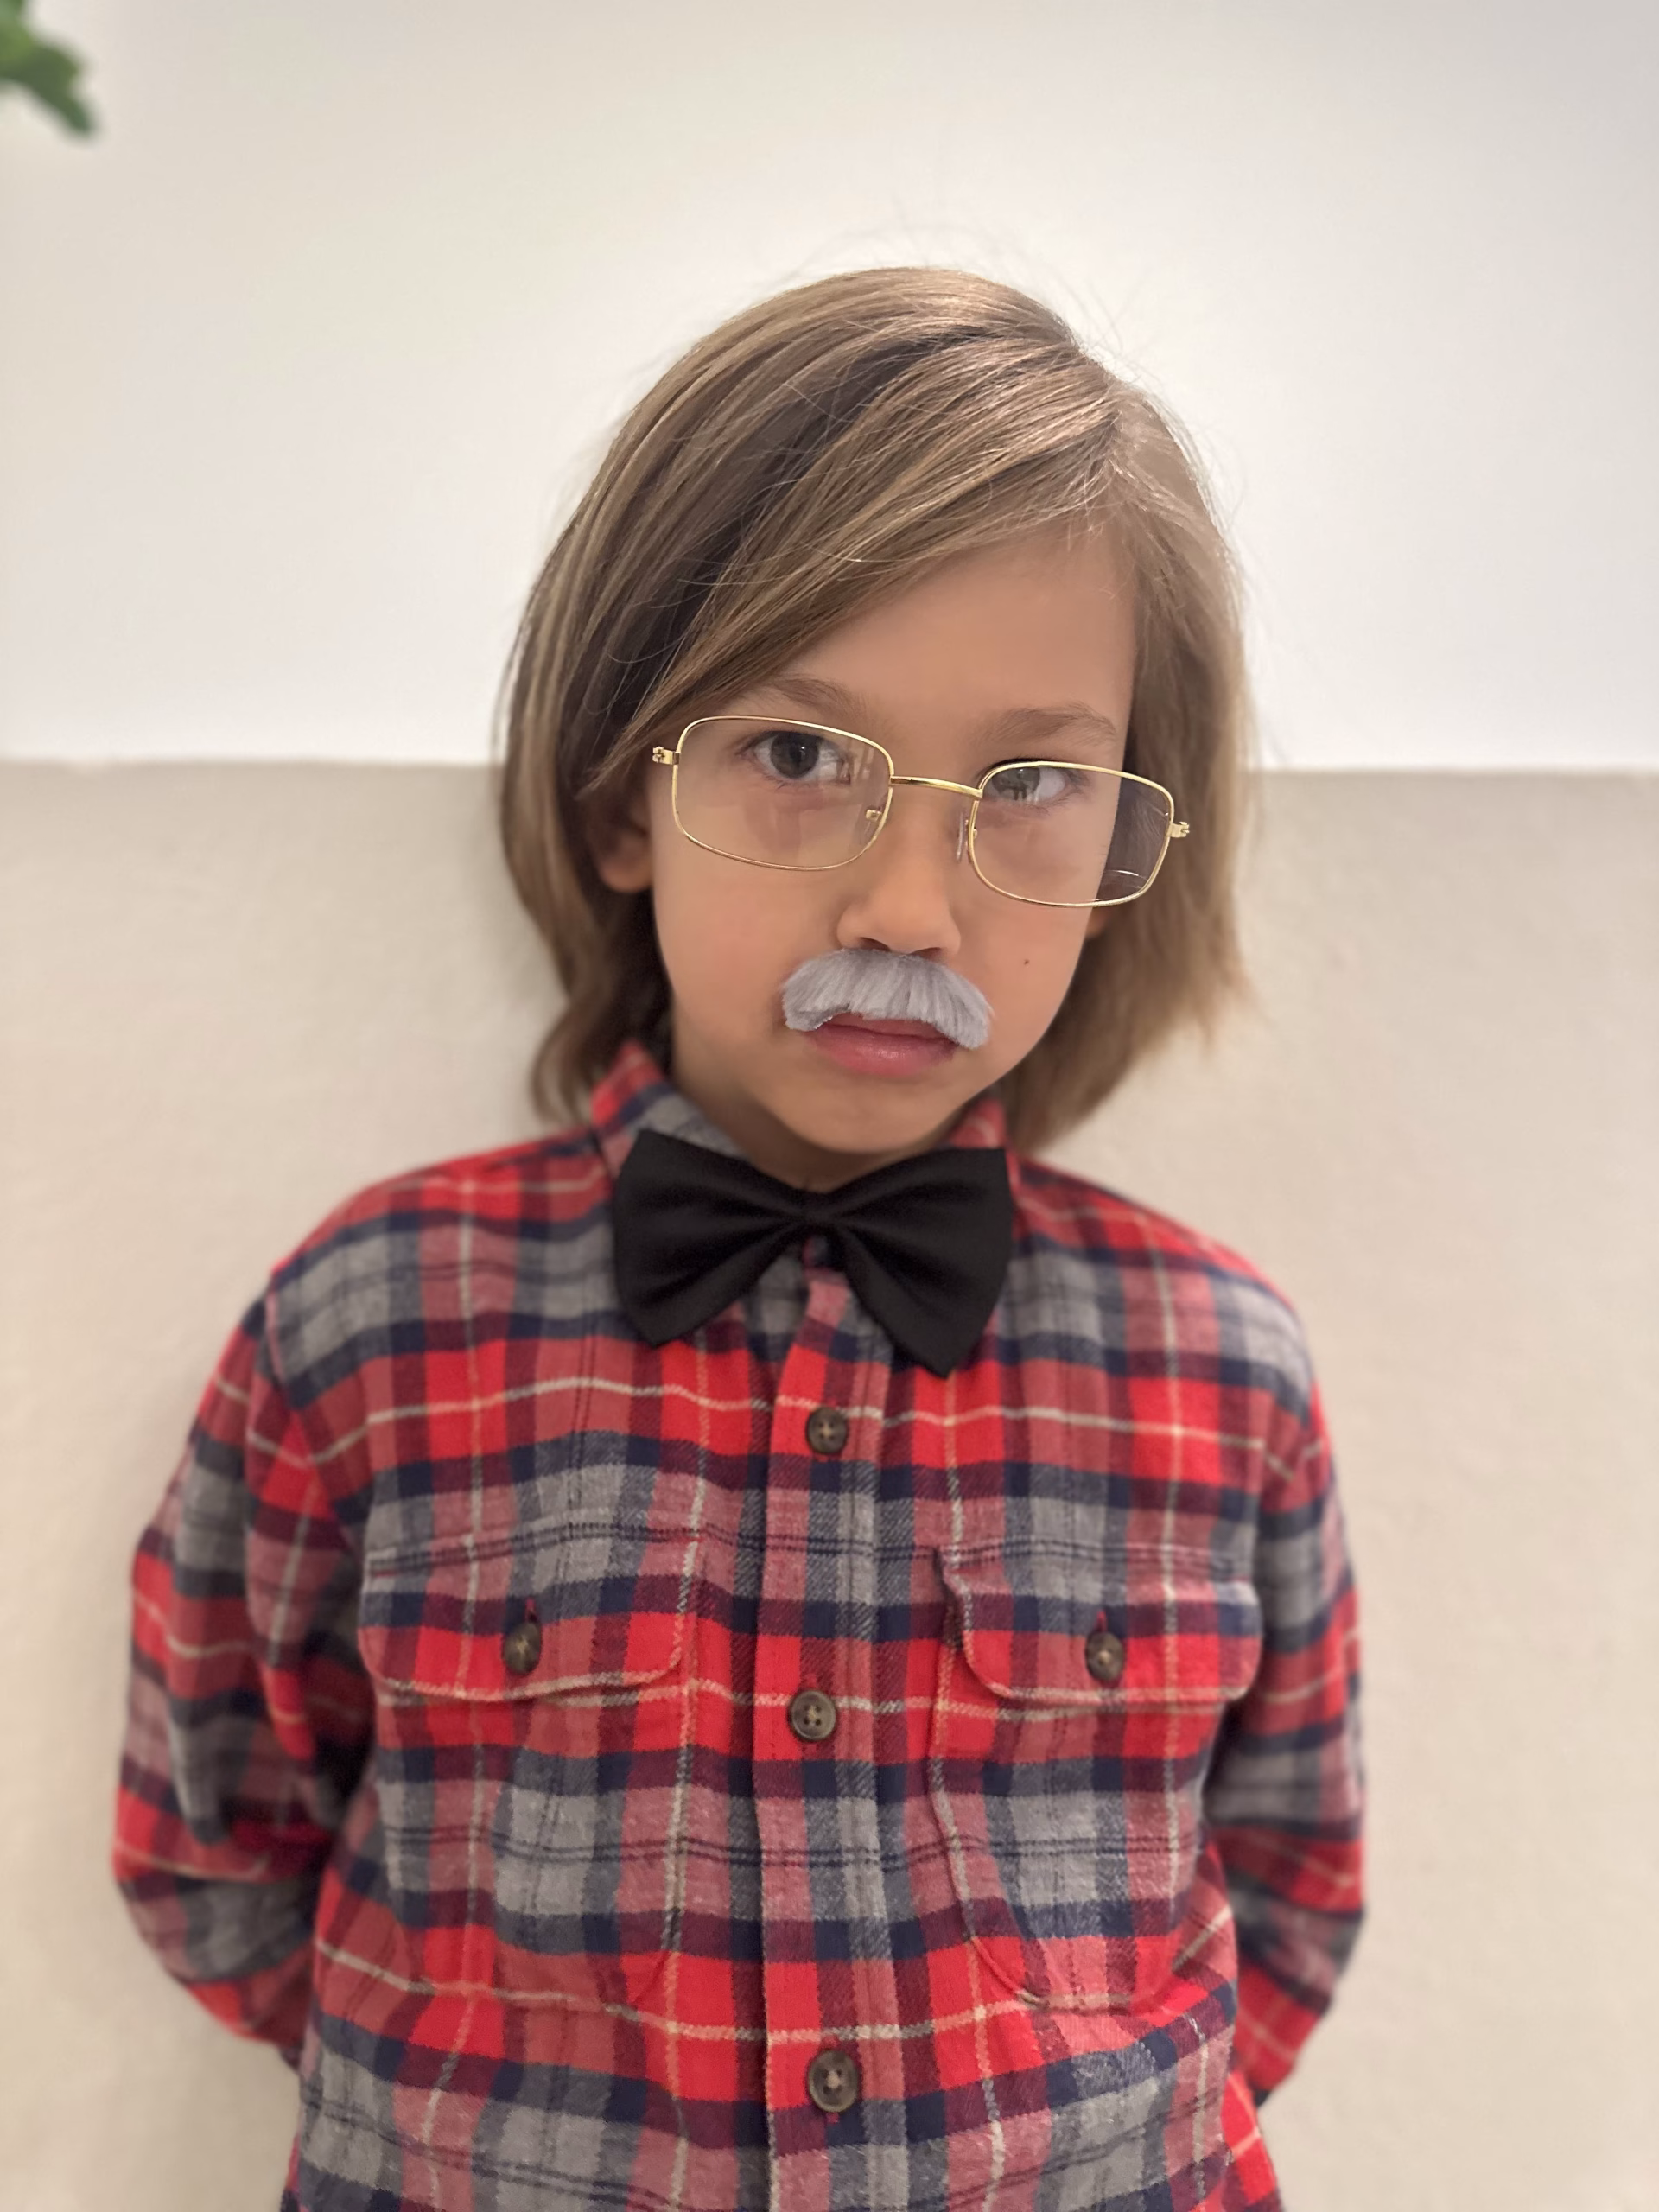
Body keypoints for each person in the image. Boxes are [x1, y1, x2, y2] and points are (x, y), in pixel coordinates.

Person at [114, 266, 1364, 2212]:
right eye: (797, 755)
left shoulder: (1225, 1371)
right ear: (626, 792)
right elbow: (218, 1839)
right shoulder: (368, 1324)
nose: (907, 907)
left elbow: (1286, 1877)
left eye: (1031, 785)